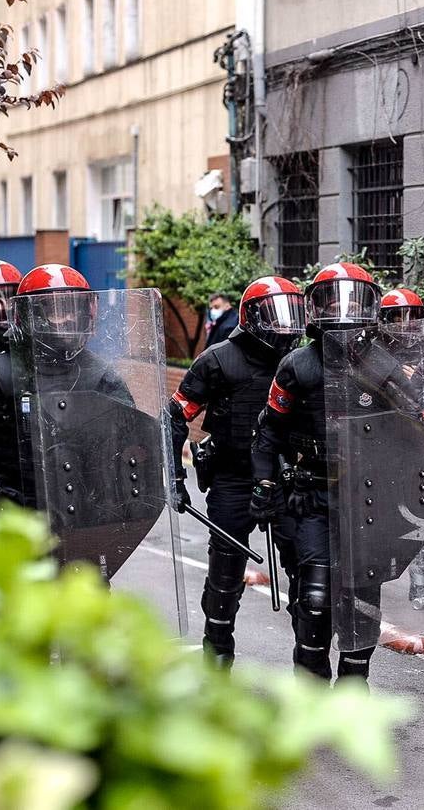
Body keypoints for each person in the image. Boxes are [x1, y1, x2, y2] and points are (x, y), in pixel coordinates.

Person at [250, 262, 384, 685]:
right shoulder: (297, 365)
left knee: (362, 596)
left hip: (369, 501)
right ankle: (309, 681)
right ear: (315, 307)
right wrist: (265, 483)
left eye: (352, 299)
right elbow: (270, 429)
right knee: (314, 595)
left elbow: (418, 428)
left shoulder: (384, 365)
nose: (342, 310)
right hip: (311, 497)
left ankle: (354, 680)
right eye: (331, 299)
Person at [168, 276, 306, 665]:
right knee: (226, 572)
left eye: (291, 314)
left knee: (307, 573)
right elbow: (176, 415)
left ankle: (309, 665)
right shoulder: (218, 360)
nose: (284, 325)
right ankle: (217, 649)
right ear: (253, 316)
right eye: (276, 314)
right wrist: (173, 478)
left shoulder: (300, 361)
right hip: (232, 476)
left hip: (287, 479)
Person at [0, 264, 126, 510]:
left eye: (74, 309)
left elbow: (132, 442)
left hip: (85, 515)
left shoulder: (102, 375)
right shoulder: (0, 373)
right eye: (57, 310)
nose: (68, 318)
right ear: (32, 315)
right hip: (13, 514)